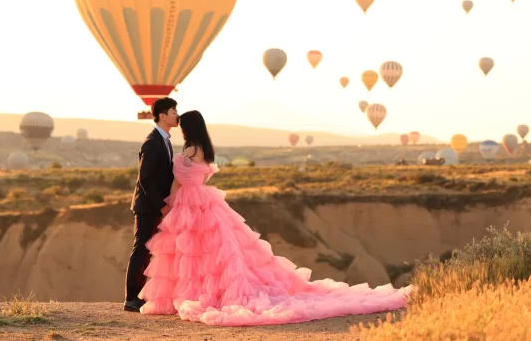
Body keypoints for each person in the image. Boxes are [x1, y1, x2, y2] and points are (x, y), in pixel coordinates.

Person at [137, 110, 412, 326]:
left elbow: (179, 182)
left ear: (187, 128)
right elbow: (201, 175)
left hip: (189, 202)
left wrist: (167, 205)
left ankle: (189, 294)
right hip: (206, 201)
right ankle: (201, 293)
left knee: (190, 252)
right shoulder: (205, 150)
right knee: (213, 251)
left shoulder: (189, 151)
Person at [123, 97, 179, 313]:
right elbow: (145, 178)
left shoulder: (164, 140)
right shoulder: (152, 141)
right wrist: (160, 206)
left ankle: (141, 296)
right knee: (141, 250)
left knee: (148, 251)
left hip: (154, 205)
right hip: (148, 207)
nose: (177, 114)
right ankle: (131, 299)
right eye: (173, 111)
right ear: (162, 116)